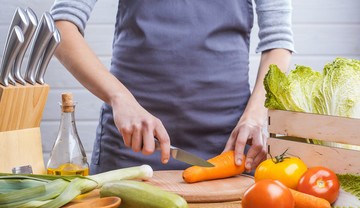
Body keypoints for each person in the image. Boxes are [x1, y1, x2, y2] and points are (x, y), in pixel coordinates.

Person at [50, 0, 294, 174]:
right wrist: (119, 98)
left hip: (229, 149)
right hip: (133, 143)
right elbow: (60, 26)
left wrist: (254, 119)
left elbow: (277, 44)